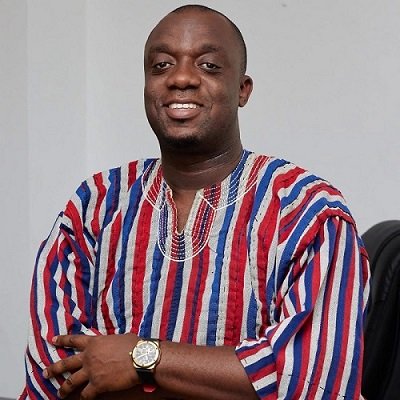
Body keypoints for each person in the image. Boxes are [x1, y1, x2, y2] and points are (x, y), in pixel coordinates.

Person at [21, 4, 370, 400]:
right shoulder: (94, 206)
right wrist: (225, 380)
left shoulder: (308, 212)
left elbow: (312, 382)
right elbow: (54, 376)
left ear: (242, 89)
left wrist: (140, 360)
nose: (181, 78)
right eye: (161, 66)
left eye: (208, 66)